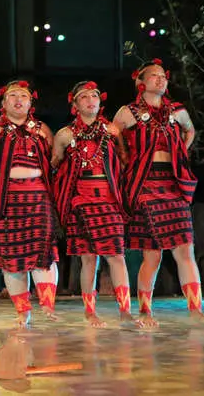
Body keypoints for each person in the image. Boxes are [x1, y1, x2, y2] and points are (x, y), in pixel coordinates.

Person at [113, 58, 204, 326]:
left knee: (185, 248)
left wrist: (179, 155)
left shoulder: (177, 111)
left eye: (163, 76)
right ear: (140, 83)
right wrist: (126, 158)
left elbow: (190, 131)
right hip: (145, 184)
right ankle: (145, 310)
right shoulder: (128, 111)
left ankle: (195, 310)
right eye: (154, 76)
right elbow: (114, 137)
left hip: (172, 184)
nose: (160, 79)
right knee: (152, 253)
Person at [53, 80, 140, 327]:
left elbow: (124, 162)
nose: (90, 100)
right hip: (80, 200)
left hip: (108, 199)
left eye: (94, 96)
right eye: (84, 97)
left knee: (116, 255)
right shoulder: (64, 135)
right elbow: (56, 167)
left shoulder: (112, 131)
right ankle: (90, 312)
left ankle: (125, 310)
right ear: (75, 104)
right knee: (89, 258)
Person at [0, 80, 58, 328]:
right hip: (6, 201)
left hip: (38, 198)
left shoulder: (42, 130)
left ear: (31, 102)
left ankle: (48, 306)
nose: (18, 99)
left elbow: (54, 161)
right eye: (12, 95)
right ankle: (23, 311)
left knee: (43, 255)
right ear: (3, 102)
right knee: (13, 260)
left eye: (24, 95)